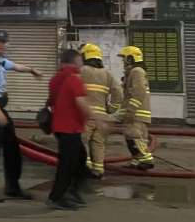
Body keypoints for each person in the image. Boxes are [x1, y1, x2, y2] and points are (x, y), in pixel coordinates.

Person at [0, 29, 44, 203]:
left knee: (12, 147)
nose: (1, 44)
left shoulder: (0, 60)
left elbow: (16, 66)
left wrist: (32, 70)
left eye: (3, 42)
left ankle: (12, 187)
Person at [46, 49, 93, 210]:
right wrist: (97, 119)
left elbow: (51, 100)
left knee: (79, 158)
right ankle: (57, 197)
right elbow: (80, 102)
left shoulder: (55, 79)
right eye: (80, 61)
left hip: (60, 126)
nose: (82, 64)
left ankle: (70, 190)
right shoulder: (73, 78)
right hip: (69, 127)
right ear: (74, 62)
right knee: (68, 164)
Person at [79, 43, 122, 179]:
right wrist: (111, 108)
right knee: (98, 143)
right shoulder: (107, 74)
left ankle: (85, 166)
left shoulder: (81, 71)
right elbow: (118, 92)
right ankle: (98, 170)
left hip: (85, 115)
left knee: (82, 141)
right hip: (102, 117)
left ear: (85, 56)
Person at [115, 45, 155, 170]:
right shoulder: (133, 72)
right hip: (137, 112)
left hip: (137, 112)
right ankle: (136, 161)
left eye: (124, 58)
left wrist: (131, 110)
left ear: (130, 58)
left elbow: (139, 91)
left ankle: (146, 160)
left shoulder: (137, 71)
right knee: (132, 137)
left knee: (134, 136)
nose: (123, 61)